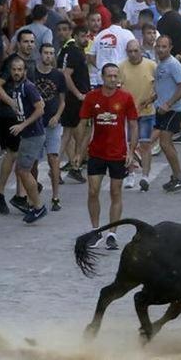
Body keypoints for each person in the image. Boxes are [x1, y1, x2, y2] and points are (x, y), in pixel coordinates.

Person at [80, 63, 138, 249]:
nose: (113, 79)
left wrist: (131, 151)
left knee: (115, 192)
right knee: (93, 191)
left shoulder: (126, 98)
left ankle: (112, 233)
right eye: (109, 76)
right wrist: (78, 151)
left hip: (117, 153)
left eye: (115, 76)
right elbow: (85, 125)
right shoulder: (91, 98)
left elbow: (134, 125)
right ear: (102, 78)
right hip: (96, 152)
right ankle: (95, 230)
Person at [0, 30, 36, 213]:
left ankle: (20, 195)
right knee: (13, 153)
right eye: (25, 41)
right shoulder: (12, 62)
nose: (29, 45)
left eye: (32, 41)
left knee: (22, 155)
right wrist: (11, 102)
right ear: (18, 43)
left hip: (24, 116)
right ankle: (0, 192)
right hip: (8, 115)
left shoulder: (30, 62)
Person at [5, 57, 48, 223]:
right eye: (14, 70)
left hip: (33, 134)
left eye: (19, 70)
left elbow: (40, 109)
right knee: (22, 170)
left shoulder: (28, 87)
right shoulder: (18, 87)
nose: (16, 72)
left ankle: (38, 206)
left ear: (25, 71)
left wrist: (22, 125)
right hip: (28, 135)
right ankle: (33, 203)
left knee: (23, 171)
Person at [118, 39, 158, 192]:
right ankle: (130, 173)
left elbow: (157, 89)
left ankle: (145, 176)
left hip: (146, 112)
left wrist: (148, 101)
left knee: (145, 144)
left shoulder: (151, 66)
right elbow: (118, 90)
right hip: (129, 114)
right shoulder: (121, 67)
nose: (133, 54)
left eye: (136, 51)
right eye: (130, 52)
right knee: (129, 146)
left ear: (141, 51)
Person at [153, 35, 181, 192]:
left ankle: (180, 177)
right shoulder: (160, 65)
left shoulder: (173, 64)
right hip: (162, 108)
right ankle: (176, 176)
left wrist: (168, 104)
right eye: (159, 46)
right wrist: (151, 99)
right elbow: (163, 87)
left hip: (174, 110)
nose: (161, 49)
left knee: (164, 143)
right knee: (166, 144)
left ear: (170, 48)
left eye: (164, 47)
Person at [34, 43, 67, 210]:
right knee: (33, 161)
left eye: (52, 53)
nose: (49, 56)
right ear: (40, 54)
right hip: (35, 124)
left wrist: (57, 116)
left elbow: (62, 101)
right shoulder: (32, 73)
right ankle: (33, 194)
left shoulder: (58, 75)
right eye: (46, 53)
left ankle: (56, 197)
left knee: (53, 159)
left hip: (53, 123)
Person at [59, 25, 91, 183]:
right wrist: (78, 94)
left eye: (87, 36)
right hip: (75, 100)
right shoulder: (74, 53)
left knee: (68, 134)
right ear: (76, 36)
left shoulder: (73, 51)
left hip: (74, 99)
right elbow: (66, 75)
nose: (86, 39)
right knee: (78, 133)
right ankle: (70, 166)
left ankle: (73, 166)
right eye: (84, 36)